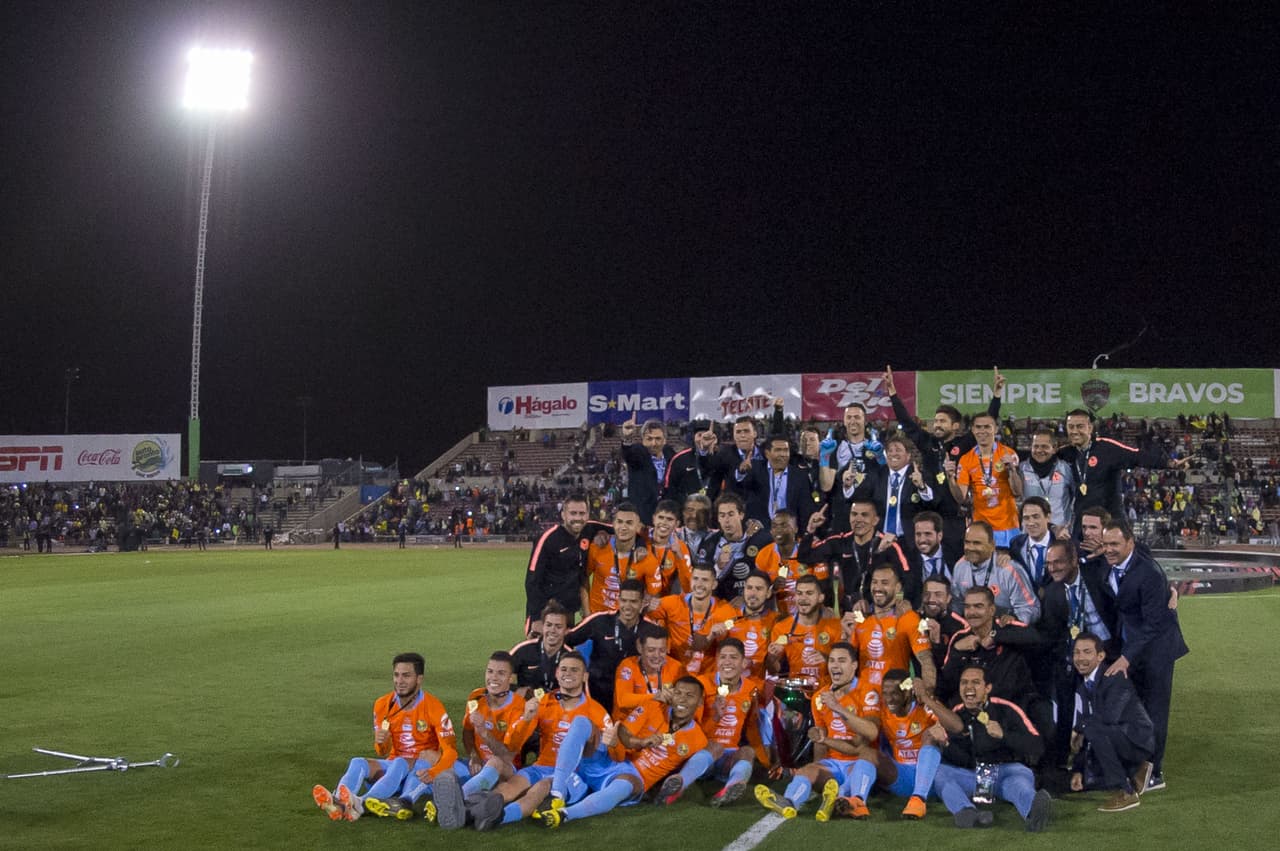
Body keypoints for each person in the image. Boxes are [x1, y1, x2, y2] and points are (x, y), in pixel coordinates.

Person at [534, 677, 708, 828]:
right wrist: (640, 742)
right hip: (614, 759)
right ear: (671, 693)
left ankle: (563, 814)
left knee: (624, 785)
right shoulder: (653, 706)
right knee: (581, 722)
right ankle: (556, 794)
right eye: (678, 693)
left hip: (635, 777)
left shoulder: (698, 740)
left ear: (700, 702)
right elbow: (623, 732)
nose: (682, 699)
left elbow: (684, 772)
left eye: (690, 696)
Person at [461, 652, 608, 830]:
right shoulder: (544, 702)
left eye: (574, 670)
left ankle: (499, 817)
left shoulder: (596, 711)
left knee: (539, 788)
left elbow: (608, 753)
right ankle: (468, 812)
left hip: (573, 775)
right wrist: (526, 718)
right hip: (541, 766)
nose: (567, 673)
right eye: (563, 669)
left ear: (585, 676)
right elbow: (513, 745)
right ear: (556, 673)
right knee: (510, 787)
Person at [312, 653, 458, 823]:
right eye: (396, 675)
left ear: (419, 679)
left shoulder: (434, 707)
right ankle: (338, 802)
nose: (399, 681)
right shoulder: (382, 704)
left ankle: (359, 804)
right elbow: (382, 751)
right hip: (394, 766)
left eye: (406, 675)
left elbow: (451, 751)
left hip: (421, 767)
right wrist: (382, 741)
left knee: (400, 762)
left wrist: (435, 772)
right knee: (358, 762)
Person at [1100, 522, 1188, 791]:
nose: (1109, 550)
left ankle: (1153, 772)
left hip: (1157, 650)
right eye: (1106, 545)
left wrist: (1125, 658)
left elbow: (1153, 625)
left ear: (1130, 543)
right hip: (1134, 647)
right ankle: (1136, 763)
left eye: (1115, 544)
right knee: (1135, 710)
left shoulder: (1148, 573)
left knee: (1154, 711)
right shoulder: (1110, 564)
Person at [886, 364, 1004, 564]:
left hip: (953, 519)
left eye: (942, 421)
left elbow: (986, 424)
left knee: (954, 563)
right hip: (931, 515)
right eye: (936, 421)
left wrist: (997, 396)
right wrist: (893, 394)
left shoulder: (963, 444)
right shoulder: (928, 443)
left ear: (955, 426)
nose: (937, 425)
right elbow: (908, 424)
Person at [755, 642, 876, 820]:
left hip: (858, 763)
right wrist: (818, 767)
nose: (835, 665)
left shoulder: (868, 692)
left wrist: (838, 708)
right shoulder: (820, 697)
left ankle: (853, 801)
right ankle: (789, 802)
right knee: (806, 771)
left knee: (866, 762)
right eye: (832, 661)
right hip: (833, 763)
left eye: (842, 661)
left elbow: (871, 733)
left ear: (854, 665)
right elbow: (821, 739)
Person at [933, 664, 1052, 831]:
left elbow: (1037, 746)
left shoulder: (1007, 709)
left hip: (1006, 773)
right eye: (964, 682)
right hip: (975, 776)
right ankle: (966, 812)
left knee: (1019, 783)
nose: (969, 687)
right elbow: (964, 760)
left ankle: (1033, 813)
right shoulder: (956, 714)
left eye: (975, 682)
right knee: (939, 773)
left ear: (987, 687)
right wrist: (946, 744)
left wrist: (1004, 736)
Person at [1039, 539, 1118, 760]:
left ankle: (1106, 759)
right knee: (1063, 695)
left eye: (1058, 562)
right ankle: (1062, 757)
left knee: (1106, 706)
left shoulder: (1098, 576)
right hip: (1075, 657)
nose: (1053, 568)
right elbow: (1054, 635)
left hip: (1108, 653)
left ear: (1074, 560)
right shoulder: (1054, 593)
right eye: (1049, 564)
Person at [660, 638, 764, 806]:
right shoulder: (701, 684)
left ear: (744, 662)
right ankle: (678, 784)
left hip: (727, 757)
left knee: (747, 752)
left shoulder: (751, 689)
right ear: (716, 660)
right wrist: (715, 716)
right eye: (723, 657)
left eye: (733, 657)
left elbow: (753, 725)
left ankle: (730, 788)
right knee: (715, 746)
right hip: (697, 750)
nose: (727, 662)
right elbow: (685, 726)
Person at [843, 668, 955, 819]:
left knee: (930, 734)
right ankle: (857, 802)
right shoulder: (883, 711)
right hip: (901, 777)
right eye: (885, 693)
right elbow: (865, 737)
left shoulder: (924, 707)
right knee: (867, 753)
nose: (889, 699)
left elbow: (955, 726)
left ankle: (918, 800)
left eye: (894, 693)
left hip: (931, 778)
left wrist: (940, 728)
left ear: (907, 693)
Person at [1058, 409, 1188, 533]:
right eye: (1071, 427)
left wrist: (1168, 463)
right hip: (1083, 523)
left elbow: (1136, 456)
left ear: (1090, 428)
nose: (1075, 431)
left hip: (1111, 520)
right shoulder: (1065, 453)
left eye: (1080, 426)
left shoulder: (1107, 448)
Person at [1068, 632, 1155, 812]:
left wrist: (1080, 728)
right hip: (1118, 737)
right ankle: (1136, 771)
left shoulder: (1114, 677)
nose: (1080, 658)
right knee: (1087, 779)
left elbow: (1109, 717)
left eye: (1087, 652)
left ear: (1101, 656)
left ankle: (1126, 791)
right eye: (1076, 652)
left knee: (1092, 728)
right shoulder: (1084, 686)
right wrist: (1078, 769)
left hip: (1138, 741)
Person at [799, 498, 918, 611]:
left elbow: (908, 580)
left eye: (864, 515)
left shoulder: (888, 545)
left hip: (878, 608)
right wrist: (810, 530)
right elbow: (804, 557)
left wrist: (899, 600)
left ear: (875, 520)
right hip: (844, 609)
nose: (858, 519)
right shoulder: (839, 541)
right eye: (854, 514)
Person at [448, 652, 529, 815]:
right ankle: (412, 797)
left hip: (507, 768)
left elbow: (507, 756)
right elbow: (468, 732)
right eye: (490, 671)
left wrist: (484, 733)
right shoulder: (476, 697)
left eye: (501, 673)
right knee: (441, 761)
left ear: (511, 679)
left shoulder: (520, 707)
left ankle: (455, 801)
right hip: (477, 765)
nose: (493, 678)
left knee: (495, 762)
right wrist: (473, 755)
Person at [847, 564, 937, 697]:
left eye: (885, 583)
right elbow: (846, 658)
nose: (878, 588)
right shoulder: (861, 618)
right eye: (874, 582)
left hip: (894, 699)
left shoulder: (908, 618)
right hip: (863, 699)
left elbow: (926, 659)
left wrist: (928, 692)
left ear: (898, 588)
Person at [565, 579, 646, 713]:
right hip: (598, 689)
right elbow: (567, 639)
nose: (628, 606)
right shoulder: (599, 621)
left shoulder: (648, 629)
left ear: (642, 603)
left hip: (632, 694)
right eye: (624, 600)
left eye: (634, 602)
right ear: (618, 600)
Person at [647, 563, 737, 676]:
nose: (699, 584)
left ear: (714, 584)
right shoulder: (672, 603)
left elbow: (732, 623)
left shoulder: (725, 611)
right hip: (675, 674)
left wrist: (724, 629)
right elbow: (643, 614)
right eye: (695, 579)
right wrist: (647, 608)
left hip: (707, 677)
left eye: (704, 580)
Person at [948, 412, 1023, 547]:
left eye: (987, 427)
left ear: (995, 429)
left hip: (1009, 526)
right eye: (978, 427)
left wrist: (1011, 470)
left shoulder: (1008, 454)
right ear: (973, 430)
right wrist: (950, 479)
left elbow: (1018, 492)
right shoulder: (966, 460)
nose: (983, 431)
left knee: (1009, 566)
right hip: (982, 528)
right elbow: (960, 498)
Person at [524, 494, 591, 635]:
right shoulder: (548, 539)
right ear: (563, 515)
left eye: (582, 513)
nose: (578, 518)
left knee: (566, 655)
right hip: (546, 614)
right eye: (573, 513)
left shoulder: (587, 533)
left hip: (568, 613)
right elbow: (532, 581)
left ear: (587, 515)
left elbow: (611, 527)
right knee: (542, 655)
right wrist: (536, 618)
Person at [853, 433, 940, 541]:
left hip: (909, 540)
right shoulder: (877, 475)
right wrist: (848, 486)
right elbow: (860, 498)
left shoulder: (920, 476)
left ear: (908, 455)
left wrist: (922, 487)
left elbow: (933, 505)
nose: (893, 454)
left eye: (898, 450)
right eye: (890, 451)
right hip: (879, 539)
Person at [951, 521, 1040, 624]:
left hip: (1004, 630)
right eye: (967, 542)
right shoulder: (960, 567)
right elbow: (957, 604)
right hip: (973, 629)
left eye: (977, 543)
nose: (970, 548)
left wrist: (1014, 619)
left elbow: (1032, 608)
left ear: (992, 545)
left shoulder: (1008, 570)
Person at [581, 503, 661, 615]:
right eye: (619, 522)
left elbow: (654, 595)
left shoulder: (647, 559)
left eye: (629, 523)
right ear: (613, 523)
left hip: (627, 620)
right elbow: (583, 579)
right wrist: (587, 613)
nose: (623, 527)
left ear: (638, 526)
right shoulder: (597, 547)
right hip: (597, 617)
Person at [764, 574, 844, 685]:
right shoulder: (781, 628)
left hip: (828, 691)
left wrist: (827, 658)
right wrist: (771, 658)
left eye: (809, 593)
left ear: (821, 597)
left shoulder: (836, 627)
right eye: (799, 593)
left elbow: (846, 668)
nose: (803, 598)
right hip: (796, 691)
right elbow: (773, 670)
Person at [697, 493, 773, 601]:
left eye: (731, 514)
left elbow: (771, 576)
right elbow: (702, 581)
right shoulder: (710, 544)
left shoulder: (760, 540)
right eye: (722, 515)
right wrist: (718, 567)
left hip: (753, 602)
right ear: (718, 518)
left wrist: (745, 598)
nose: (727, 520)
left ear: (741, 515)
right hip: (720, 603)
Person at [754, 509, 824, 616]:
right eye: (774, 526)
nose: (778, 530)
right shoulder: (763, 555)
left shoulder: (810, 550)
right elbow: (758, 591)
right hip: (777, 615)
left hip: (810, 615)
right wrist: (773, 588)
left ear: (795, 529)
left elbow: (823, 589)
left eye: (783, 525)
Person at [612, 625, 687, 720]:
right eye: (651, 650)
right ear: (639, 647)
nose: (657, 655)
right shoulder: (628, 666)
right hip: (628, 727)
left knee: (674, 734)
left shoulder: (676, 667)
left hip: (660, 726)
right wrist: (656, 697)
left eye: (662, 650)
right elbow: (623, 700)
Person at [747, 433, 817, 530]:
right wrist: (741, 472)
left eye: (785, 450)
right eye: (778, 450)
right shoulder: (755, 470)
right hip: (760, 531)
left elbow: (806, 506)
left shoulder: (800, 476)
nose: (783, 454)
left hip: (789, 532)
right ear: (767, 453)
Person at [619, 414, 677, 525]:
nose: (653, 443)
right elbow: (628, 454)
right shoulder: (638, 452)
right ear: (642, 440)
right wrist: (627, 438)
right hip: (642, 517)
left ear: (665, 440)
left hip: (666, 517)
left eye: (658, 439)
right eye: (649, 439)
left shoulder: (670, 453)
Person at [721, 569, 780, 678]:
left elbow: (774, 670)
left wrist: (772, 657)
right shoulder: (726, 613)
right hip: (725, 682)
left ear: (768, 593)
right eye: (749, 588)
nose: (753, 593)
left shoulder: (775, 621)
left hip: (756, 687)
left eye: (759, 589)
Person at [510, 603, 572, 693]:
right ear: (542, 626)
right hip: (526, 704)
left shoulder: (571, 657)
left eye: (558, 626)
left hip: (556, 704)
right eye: (549, 625)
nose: (552, 630)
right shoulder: (522, 650)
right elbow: (501, 676)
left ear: (567, 630)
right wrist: (518, 690)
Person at [1020, 429, 1075, 530]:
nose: (1039, 450)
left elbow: (1076, 498)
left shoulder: (1065, 469)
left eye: (1044, 446)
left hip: (1059, 534)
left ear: (1054, 448)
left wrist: (1070, 525)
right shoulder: (1022, 469)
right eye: (1036, 446)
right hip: (1031, 532)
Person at [1007, 497, 1059, 592]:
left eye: (1036, 517)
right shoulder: (1016, 544)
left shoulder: (1060, 542)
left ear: (1048, 517)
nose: (1030, 523)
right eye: (1026, 518)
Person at [664, 424, 717, 512]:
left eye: (707, 435)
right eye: (699, 435)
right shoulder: (679, 459)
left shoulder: (722, 457)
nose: (703, 439)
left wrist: (704, 452)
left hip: (713, 513)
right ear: (693, 437)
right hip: (685, 512)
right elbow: (670, 488)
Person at [646, 499, 692, 595]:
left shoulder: (680, 547)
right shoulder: (641, 540)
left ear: (677, 524)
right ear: (654, 519)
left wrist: (679, 556)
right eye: (661, 517)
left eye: (670, 519)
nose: (664, 522)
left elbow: (688, 587)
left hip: (666, 600)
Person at [914, 510, 952, 583]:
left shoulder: (955, 554)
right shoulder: (910, 562)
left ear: (939, 536)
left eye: (927, 534)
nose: (922, 540)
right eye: (918, 534)